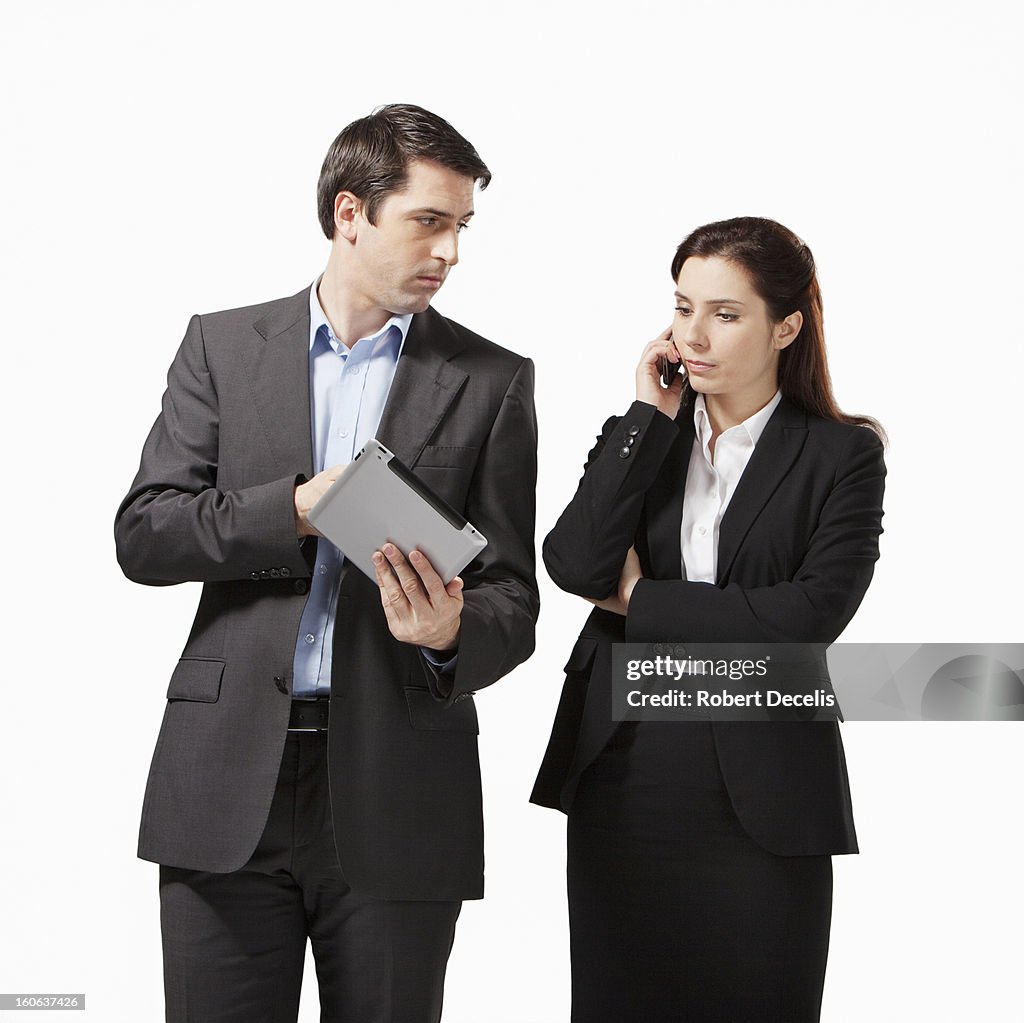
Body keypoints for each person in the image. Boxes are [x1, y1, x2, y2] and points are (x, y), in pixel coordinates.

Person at [115, 103, 539, 1023]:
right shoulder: (223, 349)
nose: (451, 252)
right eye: (430, 221)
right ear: (350, 213)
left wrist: (448, 632)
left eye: (463, 227)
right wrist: (296, 508)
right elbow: (145, 533)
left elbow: (514, 598)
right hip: (225, 781)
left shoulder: (493, 379)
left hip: (399, 789)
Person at [531, 216, 886, 1022]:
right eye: (683, 307)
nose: (695, 333)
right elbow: (574, 565)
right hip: (626, 772)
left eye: (725, 314)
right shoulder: (641, 436)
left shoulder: (842, 455)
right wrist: (648, 417)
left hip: (762, 788)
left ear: (785, 327)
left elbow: (808, 616)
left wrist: (639, 601)